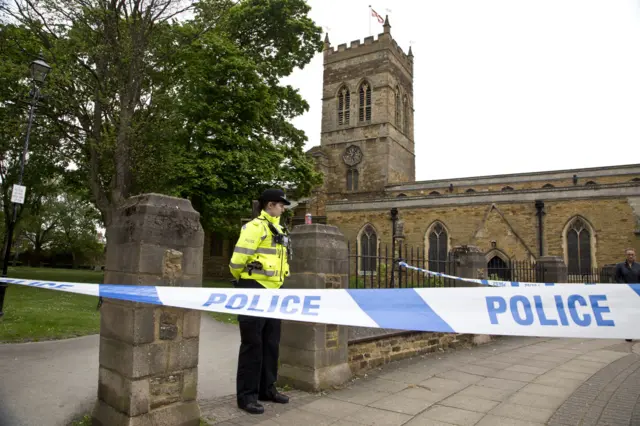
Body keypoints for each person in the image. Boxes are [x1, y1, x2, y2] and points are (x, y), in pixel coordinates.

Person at [229, 188, 292, 415]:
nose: (283, 208)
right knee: (252, 344)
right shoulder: (254, 227)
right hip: (254, 289)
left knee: (271, 343)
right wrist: (242, 280)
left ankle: (267, 389)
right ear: (269, 205)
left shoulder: (279, 228)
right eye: (281, 204)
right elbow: (237, 260)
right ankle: (247, 396)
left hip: (275, 291)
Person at [613, 248, 640, 342]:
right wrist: (625, 286)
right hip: (625, 294)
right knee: (628, 315)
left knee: (637, 314)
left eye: (632, 254)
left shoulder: (638, 266)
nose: (630, 256)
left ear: (634, 255)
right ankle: (629, 334)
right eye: (629, 254)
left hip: (636, 293)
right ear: (626, 255)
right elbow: (617, 278)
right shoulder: (620, 266)